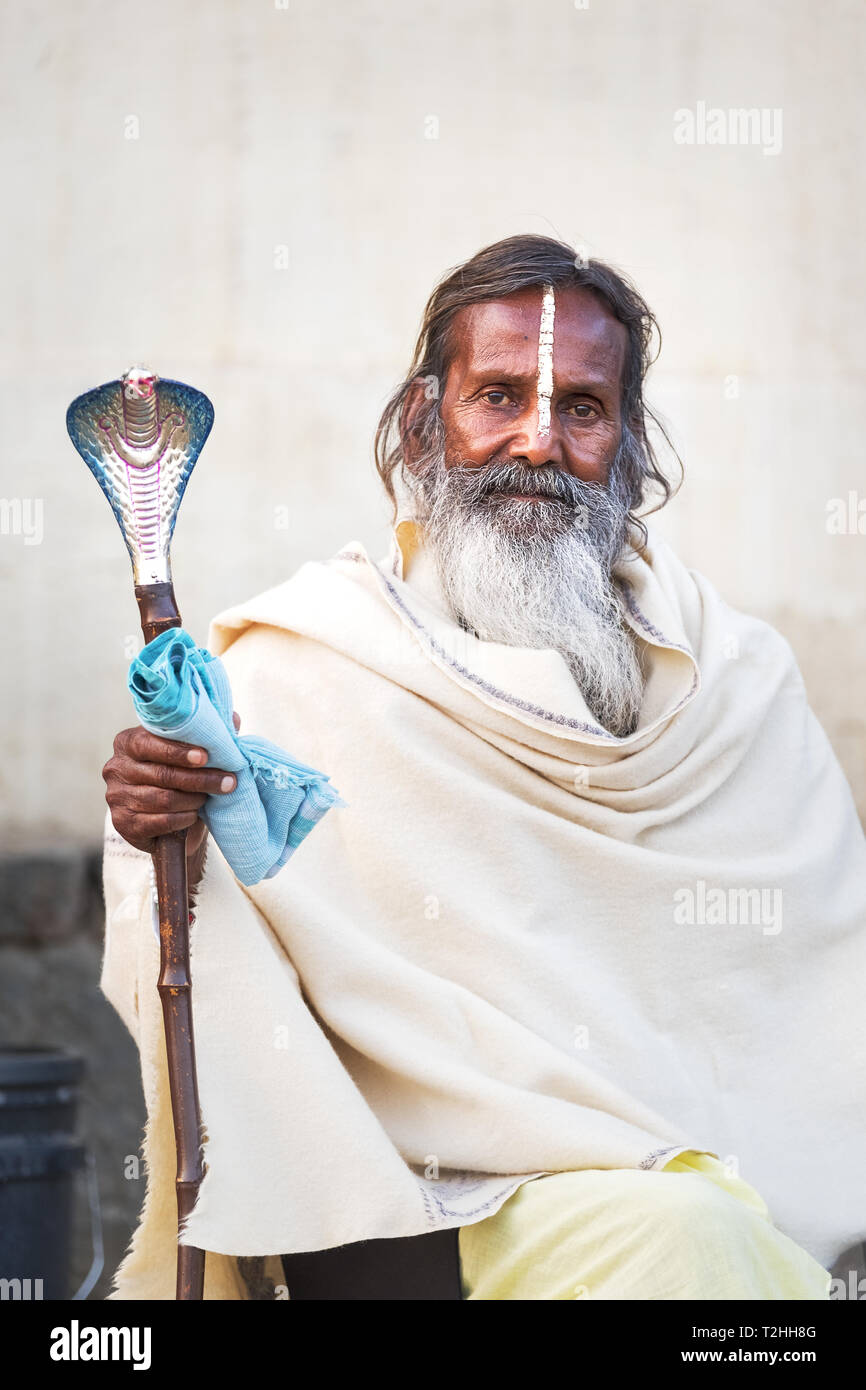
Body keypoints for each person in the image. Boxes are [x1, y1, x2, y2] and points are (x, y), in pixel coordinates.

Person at [100, 234, 864, 1300]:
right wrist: (159, 820)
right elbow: (204, 904)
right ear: (426, 421)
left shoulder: (736, 685)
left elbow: (818, 1009)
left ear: (628, 438)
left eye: (581, 409)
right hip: (434, 1216)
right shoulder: (304, 663)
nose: (537, 442)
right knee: (684, 1236)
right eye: (497, 395)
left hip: (710, 1186)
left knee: (718, 1227)